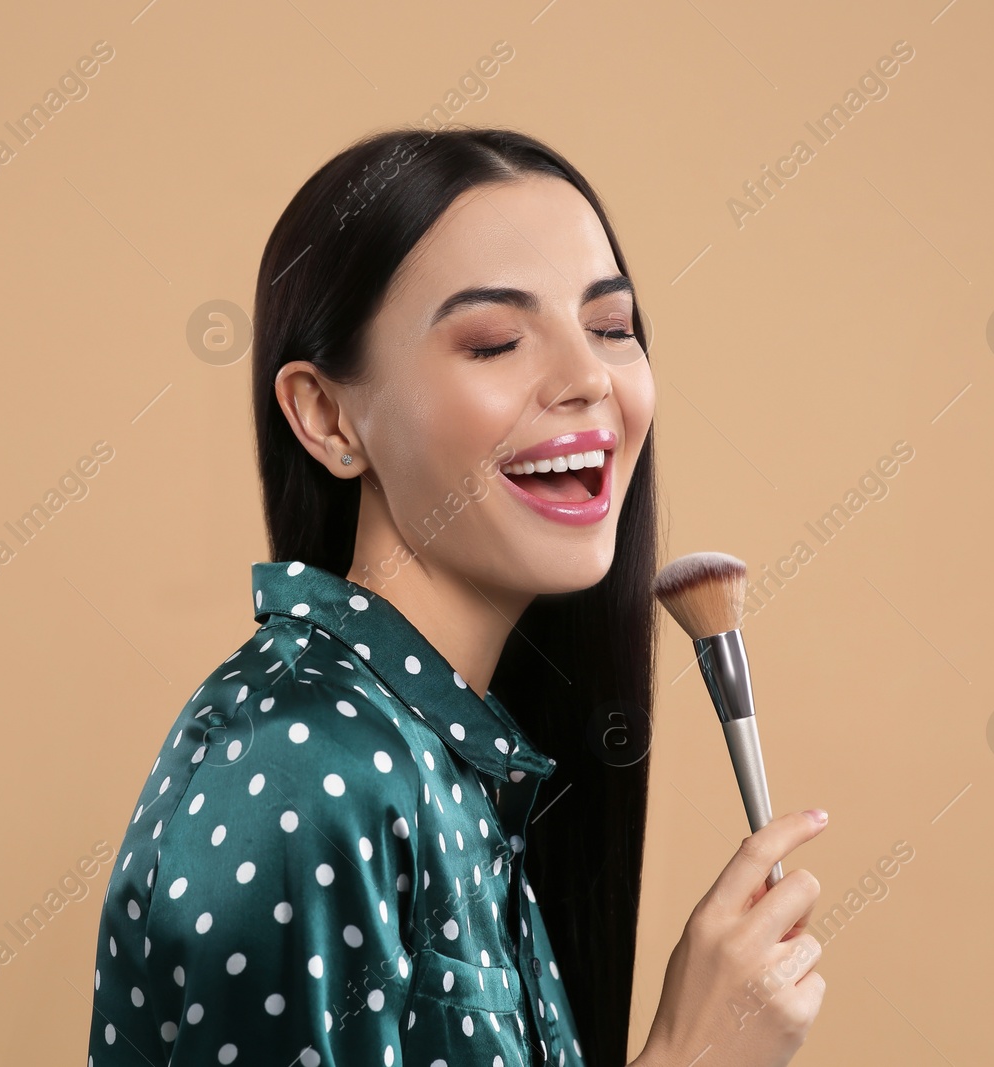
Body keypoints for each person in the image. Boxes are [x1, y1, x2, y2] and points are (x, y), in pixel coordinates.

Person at [86, 126, 828, 1067]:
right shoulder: (305, 768)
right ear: (327, 416)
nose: (590, 377)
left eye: (609, 327)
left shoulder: (448, 766)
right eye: (495, 341)